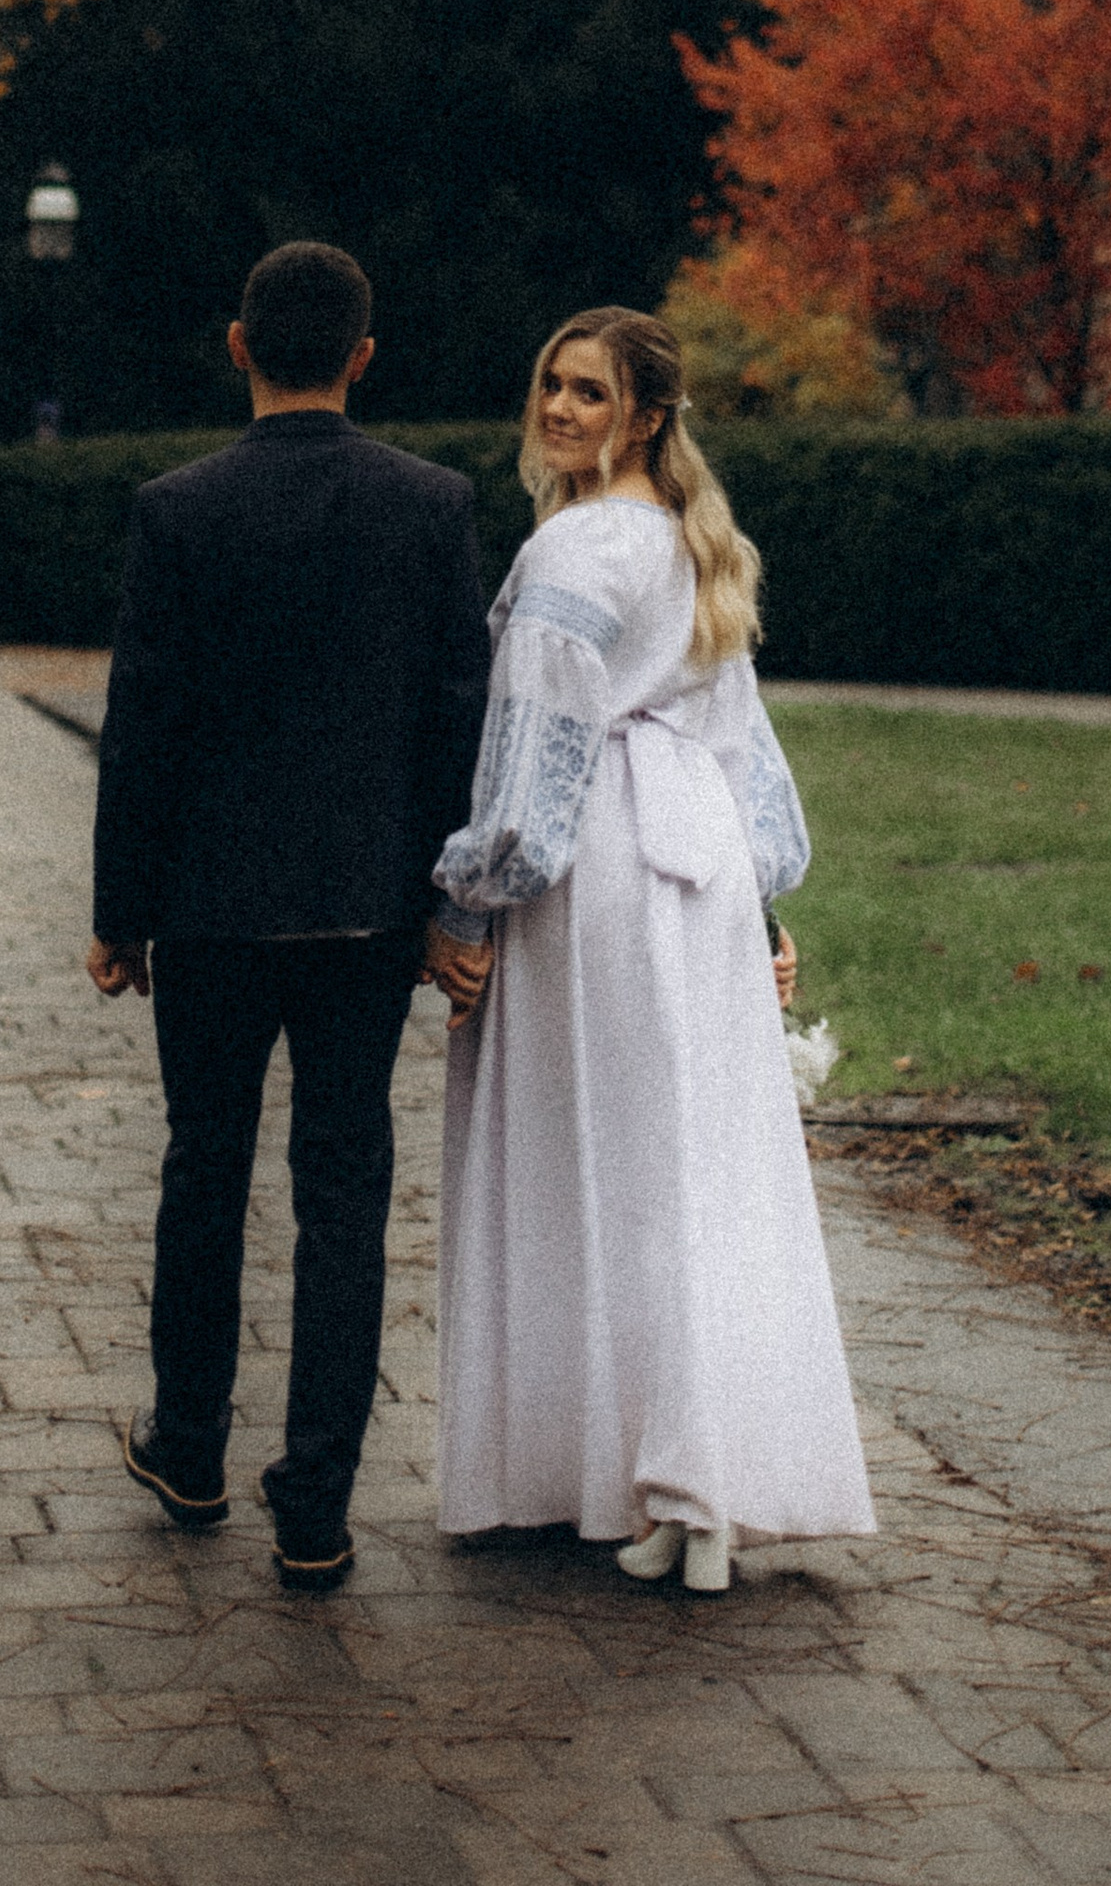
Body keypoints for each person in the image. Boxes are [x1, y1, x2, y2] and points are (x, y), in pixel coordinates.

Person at [427, 304, 876, 1590]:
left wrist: (471, 898)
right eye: (550, 385)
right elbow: (742, 747)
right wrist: (762, 902)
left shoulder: (576, 549)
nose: (560, 411)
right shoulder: (690, 546)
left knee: (608, 1153)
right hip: (693, 870)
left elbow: (533, 755)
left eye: (588, 393)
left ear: (647, 414)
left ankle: (658, 1469)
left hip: (600, 874)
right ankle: (691, 1481)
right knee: (691, 1157)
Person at [88, 241, 492, 1593]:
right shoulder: (431, 508)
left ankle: (190, 1442)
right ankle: (316, 1501)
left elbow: (141, 726)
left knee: (204, 1170)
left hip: (206, 910)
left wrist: (119, 912)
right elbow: (459, 725)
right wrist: (445, 899)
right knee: (344, 1188)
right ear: (365, 359)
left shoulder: (175, 511)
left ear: (237, 344)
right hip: (366, 914)